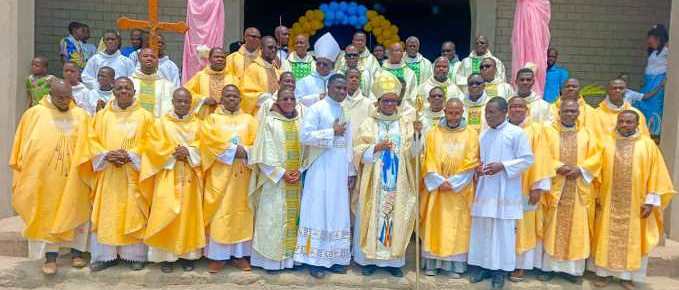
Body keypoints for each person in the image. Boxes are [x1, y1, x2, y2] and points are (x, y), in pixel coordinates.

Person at [10, 80, 90, 275]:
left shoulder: (81, 116)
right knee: (48, 215)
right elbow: (21, 144)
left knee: (77, 212)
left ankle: (77, 253)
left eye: (67, 97)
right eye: (59, 97)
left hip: (75, 177)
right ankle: (51, 258)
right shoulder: (34, 114)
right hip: (45, 178)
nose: (64, 101)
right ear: (51, 94)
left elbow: (90, 144)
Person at [591, 110, 674, 289]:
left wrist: (651, 200)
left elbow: (657, 175)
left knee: (632, 241)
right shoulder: (606, 143)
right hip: (608, 202)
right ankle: (603, 274)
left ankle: (627, 277)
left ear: (637, 124)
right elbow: (596, 171)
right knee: (605, 237)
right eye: (621, 121)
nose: (625, 125)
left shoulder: (648, 146)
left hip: (636, 204)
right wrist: (596, 196)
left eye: (629, 122)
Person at [352, 72, 422, 278]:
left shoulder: (405, 123)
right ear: (379, 101)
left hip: (397, 180)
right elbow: (358, 150)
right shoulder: (369, 123)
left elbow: (413, 153)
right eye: (386, 100)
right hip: (374, 180)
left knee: (395, 217)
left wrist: (418, 135)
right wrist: (375, 147)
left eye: (393, 100)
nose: (390, 104)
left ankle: (394, 262)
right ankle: (368, 261)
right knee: (372, 216)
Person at [87, 77, 155, 272]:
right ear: (113, 92)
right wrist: (107, 154)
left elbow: (152, 142)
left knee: (134, 211)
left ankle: (135, 256)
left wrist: (131, 156)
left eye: (127, 88)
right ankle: (104, 256)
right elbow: (91, 140)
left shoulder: (145, 116)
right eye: (119, 88)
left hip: (134, 173)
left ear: (134, 91)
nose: (123, 91)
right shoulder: (101, 116)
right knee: (107, 212)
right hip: (108, 172)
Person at [468, 97, 533, 289]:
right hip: (486, 188)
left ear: (504, 112)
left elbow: (527, 159)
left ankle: (500, 272)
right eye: (486, 112)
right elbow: (479, 159)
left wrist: (503, 166)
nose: (488, 116)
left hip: (506, 191)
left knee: (503, 233)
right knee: (483, 230)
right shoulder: (484, 135)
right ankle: (482, 267)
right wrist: (478, 168)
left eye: (492, 112)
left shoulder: (516, 133)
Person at [294, 74, 354, 279]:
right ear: (328, 87)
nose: (341, 91)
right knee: (317, 210)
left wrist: (350, 171)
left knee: (337, 211)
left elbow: (347, 144)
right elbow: (304, 136)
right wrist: (331, 132)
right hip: (320, 168)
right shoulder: (316, 109)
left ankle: (335, 257)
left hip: (338, 171)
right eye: (338, 87)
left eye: (344, 88)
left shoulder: (344, 110)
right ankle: (314, 259)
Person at [141, 88, 205, 273]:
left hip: (190, 176)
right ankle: (166, 257)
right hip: (168, 175)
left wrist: (190, 152)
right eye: (179, 101)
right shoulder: (160, 124)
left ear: (191, 102)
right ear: (173, 101)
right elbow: (152, 146)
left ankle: (188, 255)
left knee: (188, 215)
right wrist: (173, 153)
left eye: (186, 101)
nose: (183, 105)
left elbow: (205, 146)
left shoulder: (198, 124)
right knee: (166, 212)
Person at [540, 99, 601, 284]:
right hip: (556, 187)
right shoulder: (548, 132)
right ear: (559, 112)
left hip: (579, 189)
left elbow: (597, 157)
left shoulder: (587, 134)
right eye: (566, 111)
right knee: (551, 227)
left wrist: (581, 170)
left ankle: (573, 271)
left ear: (578, 113)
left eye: (573, 111)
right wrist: (557, 166)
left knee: (577, 229)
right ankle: (549, 267)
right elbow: (541, 154)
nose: (569, 114)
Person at [201, 84, 258, 273]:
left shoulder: (250, 120)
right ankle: (218, 257)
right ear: (222, 99)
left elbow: (258, 143)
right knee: (220, 213)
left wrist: (247, 152)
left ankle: (239, 255)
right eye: (228, 96)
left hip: (243, 174)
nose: (232, 99)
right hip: (220, 174)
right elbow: (208, 143)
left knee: (242, 213)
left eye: (235, 96)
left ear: (240, 99)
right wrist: (234, 151)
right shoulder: (212, 120)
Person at [420, 98, 479, 277]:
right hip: (437, 190)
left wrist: (453, 183)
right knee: (435, 225)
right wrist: (438, 181)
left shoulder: (471, 134)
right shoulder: (432, 133)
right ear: (445, 112)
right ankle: (432, 263)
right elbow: (426, 159)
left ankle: (454, 266)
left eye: (457, 113)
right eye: (450, 113)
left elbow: (472, 161)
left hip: (459, 191)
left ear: (462, 112)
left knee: (457, 227)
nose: (453, 117)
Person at [249, 88, 303, 272]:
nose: (289, 101)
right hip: (275, 182)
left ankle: (290, 260)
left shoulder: (300, 121)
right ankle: (269, 262)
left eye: (292, 98)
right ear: (277, 101)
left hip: (296, 181)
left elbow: (308, 150)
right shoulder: (269, 122)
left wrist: (300, 170)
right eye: (285, 98)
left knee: (294, 219)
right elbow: (262, 153)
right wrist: (281, 173)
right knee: (272, 219)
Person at [505, 97, 554, 282]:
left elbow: (541, 159)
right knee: (507, 228)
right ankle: (504, 262)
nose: (517, 110)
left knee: (524, 228)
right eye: (513, 107)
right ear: (508, 110)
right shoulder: (502, 129)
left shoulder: (535, 131)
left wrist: (538, 187)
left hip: (526, 187)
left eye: (520, 107)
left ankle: (520, 265)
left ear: (527, 110)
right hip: (504, 188)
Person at [634, 24, 669, 138]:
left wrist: (665, 79)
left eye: (651, 37)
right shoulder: (653, 52)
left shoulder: (666, 50)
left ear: (658, 38)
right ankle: (645, 129)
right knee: (643, 104)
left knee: (654, 106)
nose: (649, 40)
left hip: (657, 81)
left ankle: (654, 132)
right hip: (648, 81)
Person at [591, 79, 649, 143]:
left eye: (621, 88)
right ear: (607, 91)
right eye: (614, 88)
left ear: (626, 91)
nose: (618, 90)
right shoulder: (595, 114)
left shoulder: (637, 113)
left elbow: (645, 140)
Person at [184, 47, 233, 118]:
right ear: (209, 59)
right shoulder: (200, 76)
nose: (220, 59)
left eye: (223, 57)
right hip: (204, 119)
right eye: (216, 57)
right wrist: (203, 99)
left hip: (226, 120)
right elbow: (186, 93)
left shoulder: (232, 78)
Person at [295, 32, 340, 107]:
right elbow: (297, 100)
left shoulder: (338, 80)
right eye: (319, 63)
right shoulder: (304, 81)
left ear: (332, 65)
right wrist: (317, 97)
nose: (321, 66)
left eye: (325, 64)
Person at [131, 48, 177, 118]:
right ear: (139, 59)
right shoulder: (129, 83)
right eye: (145, 56)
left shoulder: (167, 86)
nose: (149, 58)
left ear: (158, 61)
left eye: (153, 57)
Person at [242, 36, 282, 115]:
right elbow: (247, 93)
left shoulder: (277, 70)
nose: (273, 50)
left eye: (275, 48)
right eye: (270, 47)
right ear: (261, 48)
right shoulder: (253, 68)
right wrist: (269, 101)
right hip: (260, 113)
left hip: (277, 113)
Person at [381, 42, 418, 107]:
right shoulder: (381, 71)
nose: (399, 53)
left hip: (404, 108)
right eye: (396, 51)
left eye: (401, 51)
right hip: (384, 107)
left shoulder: (409, 72)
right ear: (389, 53)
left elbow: (413, 93)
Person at [344, 68, 375, 137]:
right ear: (345, 80)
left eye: (357, 78)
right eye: (351, 77)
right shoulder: (339, 101)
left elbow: (373, 126)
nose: (354, 79)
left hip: (360, 144)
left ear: (360, 81)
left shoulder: (368, 103)